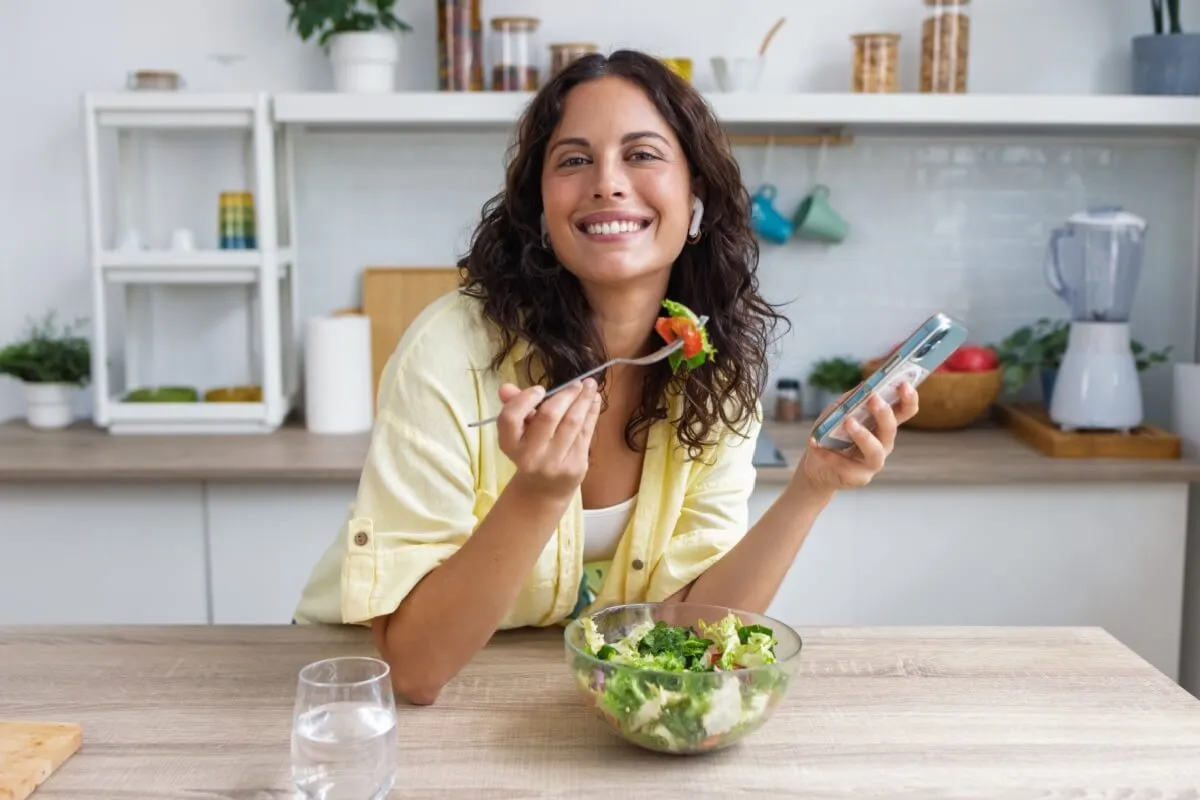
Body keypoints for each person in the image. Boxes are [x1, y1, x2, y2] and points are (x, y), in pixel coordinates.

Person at [293, 49, 919, 705]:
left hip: (551, 697)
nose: (608, 183)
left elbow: (691, 630)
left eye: (642, 154)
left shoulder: (715, 367)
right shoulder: (450, 349)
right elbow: (413, 670)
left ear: (695, 196)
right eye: (573, 159)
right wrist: (536, 494)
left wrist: (811, 488)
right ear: (539, 206)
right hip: (347, 688)